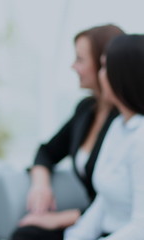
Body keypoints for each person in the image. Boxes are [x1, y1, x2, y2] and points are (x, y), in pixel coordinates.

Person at [11, 24, 124, 240]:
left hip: (109, 223)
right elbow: (47, 151)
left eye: (80, 60)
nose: (73, 67)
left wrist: (60, 218)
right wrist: (41, 186)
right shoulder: (86, 110)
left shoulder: (126, 124)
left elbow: (119, 203)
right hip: (88, 220)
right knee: (26, 233)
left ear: (105, 64)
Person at [64, 34, 144, 239]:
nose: (101, 75)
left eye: (104, 67)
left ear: (122, 75)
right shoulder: (118, 125)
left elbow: (141, 228)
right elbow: (104, 203)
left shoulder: (141, 138)